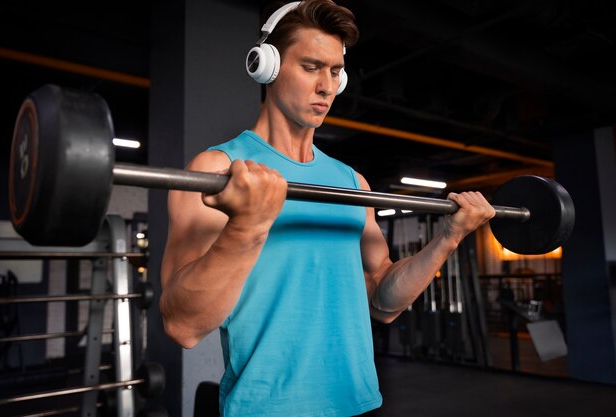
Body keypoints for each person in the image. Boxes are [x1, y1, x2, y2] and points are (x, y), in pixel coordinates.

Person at [159, 1, 495, 416]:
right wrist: (248, 225)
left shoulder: (354, 183)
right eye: (311, 67)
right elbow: (182, 325)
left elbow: (383, 300)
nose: (327, 86)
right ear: (267, 66)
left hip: (360, 403)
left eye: (335, 71)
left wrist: (450, 237)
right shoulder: (219, 170)